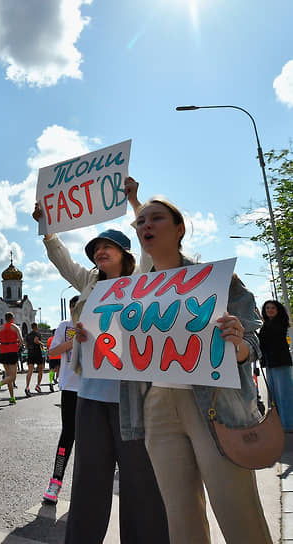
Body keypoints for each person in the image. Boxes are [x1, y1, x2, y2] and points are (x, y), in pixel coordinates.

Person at [118, 196, 272, 543]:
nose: (146, 226)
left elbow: (254, 341)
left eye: (156, 219)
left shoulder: (217, 280)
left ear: (179, 228)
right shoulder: (131, 294)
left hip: (215, 406)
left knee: (238, 513)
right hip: (157, 408)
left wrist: (240, 346)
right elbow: (119, 351)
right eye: (140, 222)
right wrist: (92, 338)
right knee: (181, 519)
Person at [33, 176, 169, 544]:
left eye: (108, 247)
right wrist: (48, 230)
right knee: (89, 479)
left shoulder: (143, 278)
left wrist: (135, 202)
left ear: (125, 254)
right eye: (96, 249)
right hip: (90, 393)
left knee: (139, 481)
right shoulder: (89, 283)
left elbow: (148, 242)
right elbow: (63, 262)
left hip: (132, 396)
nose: (99, 252)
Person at [41, 296, 81, 504]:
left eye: (79, 308)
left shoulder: (96, 324)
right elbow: (52, 351)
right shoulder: (64, 326)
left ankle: (86, 487)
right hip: (70, 388)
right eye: (72, 308)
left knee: (91, 439)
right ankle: (55, 482)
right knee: (67, 436)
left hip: (92, 390)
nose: (75, 312)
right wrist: (71, 342)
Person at [259, 300, 293, 431]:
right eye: (267, 308)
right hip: (270, 364)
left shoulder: (280, 323)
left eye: (273, 308)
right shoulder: (266, 324)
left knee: (284, 394)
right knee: (274, 394)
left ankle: (289, 423)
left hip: (280, 362)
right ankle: (278, 422)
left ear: (278, 310)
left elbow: (271, 334)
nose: (270, 310)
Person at [0, 313, 24, 404]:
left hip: (3, 353)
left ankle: (12, 398)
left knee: (9, 376)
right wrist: (17, 345)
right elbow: (21, 340)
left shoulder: (0, 328)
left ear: (5, 319)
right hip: (12, 352)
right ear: (12, 318)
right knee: (13, 377)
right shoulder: (15, 327)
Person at [25, 323, 44, 395]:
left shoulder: (28, 335)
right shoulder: (37, 334)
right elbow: (36, 341)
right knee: (40, 369)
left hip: (30, 353)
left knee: (30, 370)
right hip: (37, 353)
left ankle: (27, 387)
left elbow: (26, 345)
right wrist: (41, 344)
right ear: (36, 327)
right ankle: (38, 386)